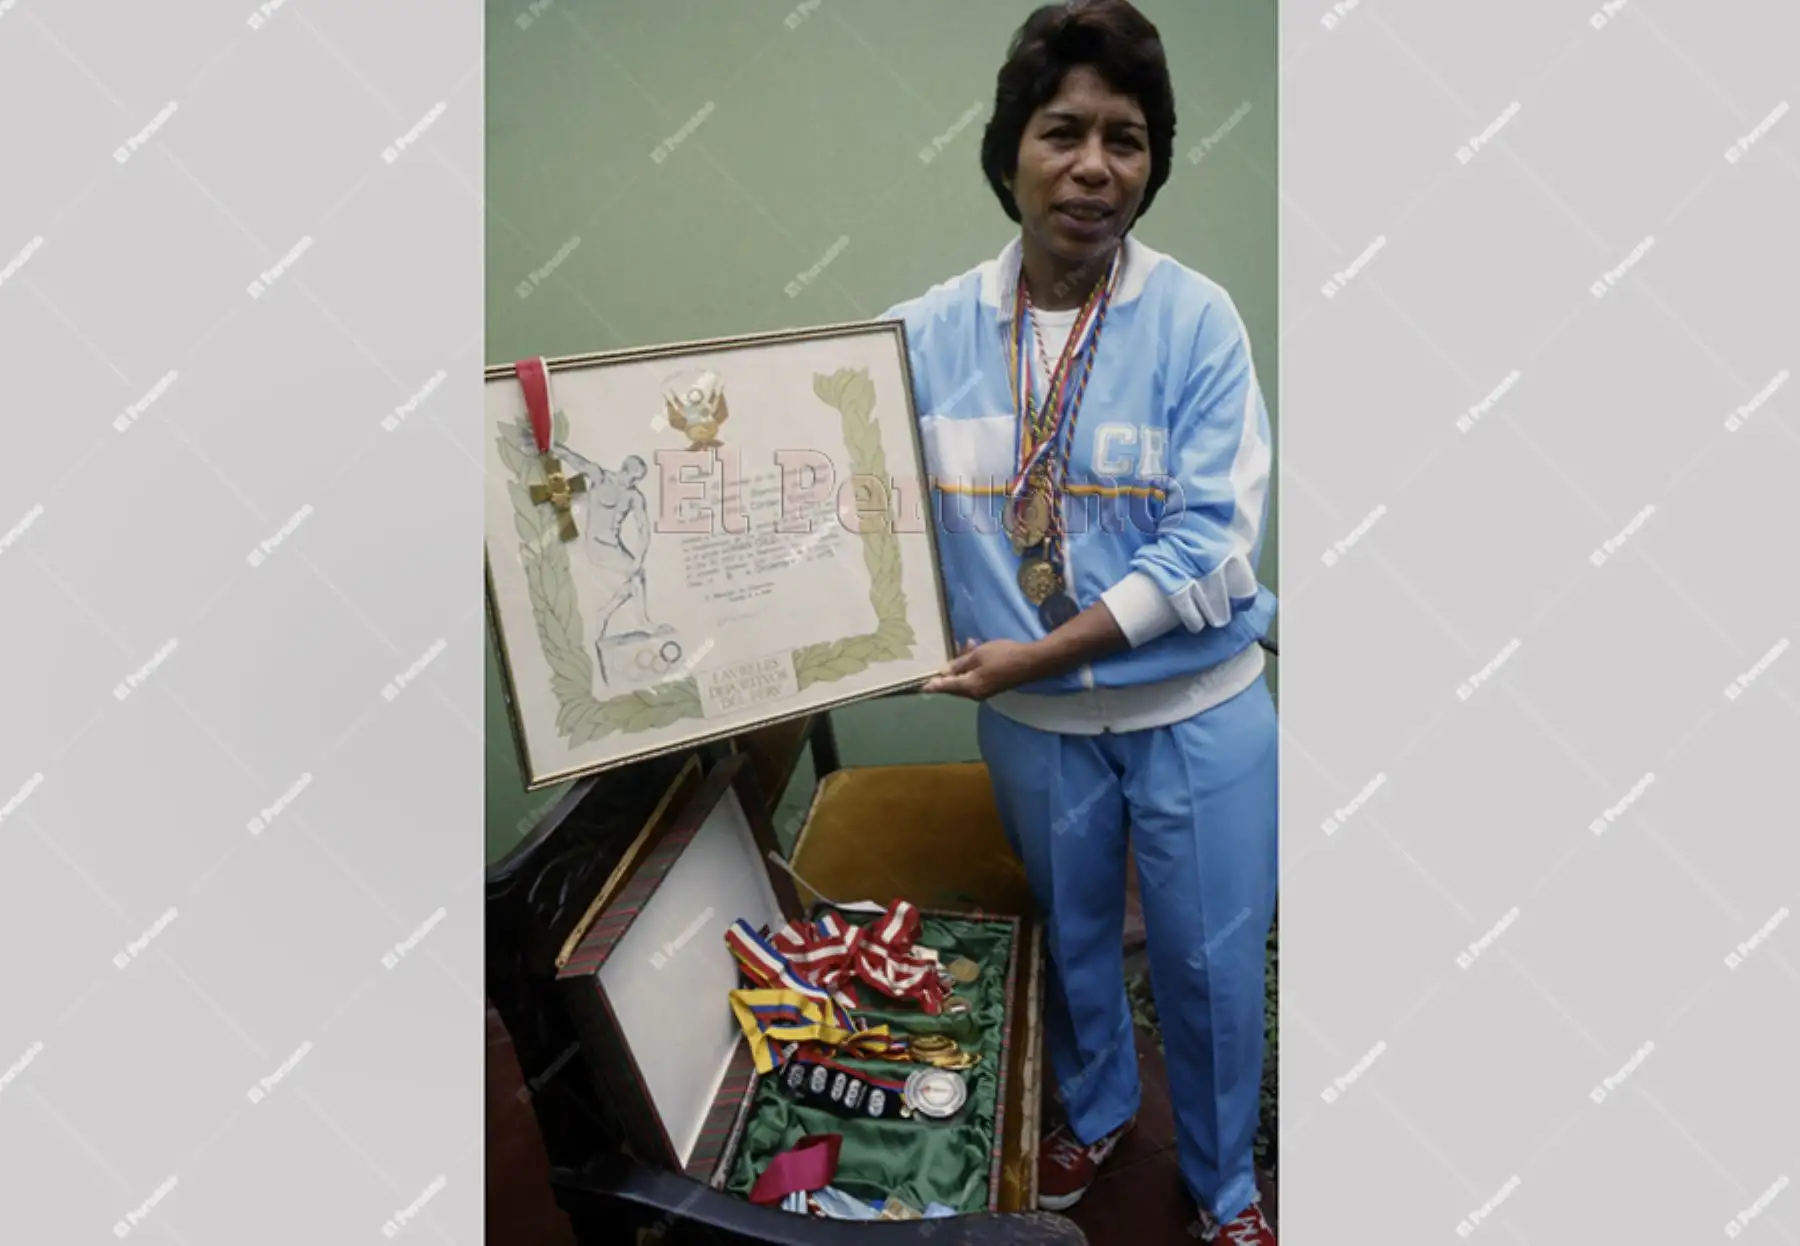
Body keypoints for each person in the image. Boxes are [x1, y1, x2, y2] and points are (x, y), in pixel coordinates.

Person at [883, 3, 1278, 1241]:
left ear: (1152, 162)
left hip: (1198, 713)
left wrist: (1041, 651)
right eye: (1063, 133)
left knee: (1213, 970)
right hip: (1034, 725)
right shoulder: (921, 334)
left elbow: (1209, 552)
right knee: (1076, 941)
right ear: (1009, 153)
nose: (1096, 167)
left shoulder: (1197, 322)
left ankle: (1225, 1185)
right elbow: (844, 502)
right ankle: (1097, 1108)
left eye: (1128, 138)